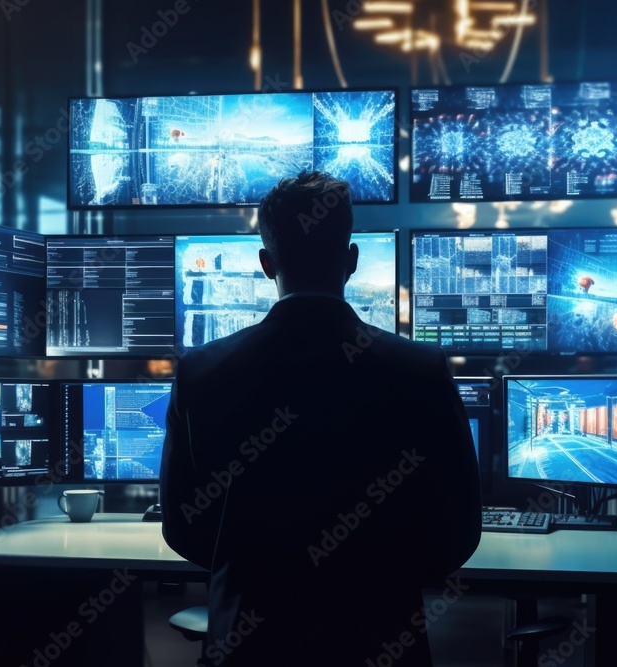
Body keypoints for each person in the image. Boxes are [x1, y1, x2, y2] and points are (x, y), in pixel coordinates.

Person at [161, 171, 481, 666]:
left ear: (267, 264)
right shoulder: (419, 369)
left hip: (250, 646)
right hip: (379, 638)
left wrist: (259, 573)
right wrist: (380, 577)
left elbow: (182, 527)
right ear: (351, 261)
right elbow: (459, 528)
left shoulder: (202, 372)